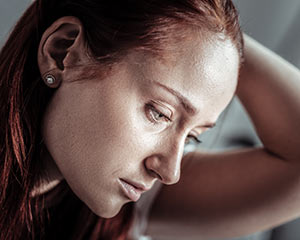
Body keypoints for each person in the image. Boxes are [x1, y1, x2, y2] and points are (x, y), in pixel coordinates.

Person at [0, 0, 299, 239]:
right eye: (159, 113)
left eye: (194, 136)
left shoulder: (120, 207)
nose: (170, 172)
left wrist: (214, 37)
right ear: (62, 52)